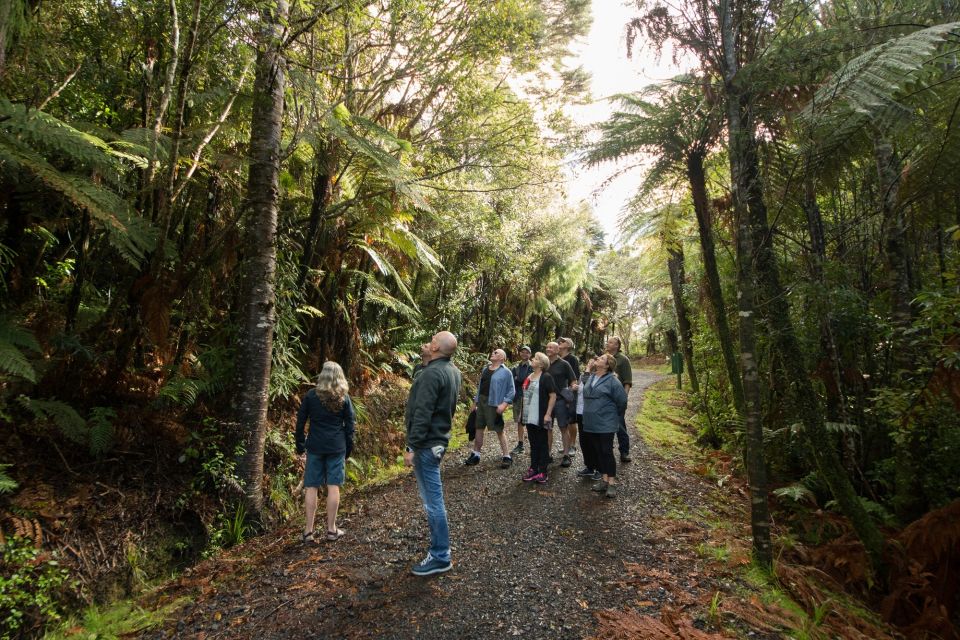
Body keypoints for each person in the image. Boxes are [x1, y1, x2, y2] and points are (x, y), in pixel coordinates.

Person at [404, 331, 462, 576]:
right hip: (439, 441)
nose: (426, 342)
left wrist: (411, 446)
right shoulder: (451, 371)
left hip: (427, 444)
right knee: (433, 498)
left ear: (437, 346)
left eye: (431, 340)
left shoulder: (432, 374)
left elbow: (423, 413)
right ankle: (440, 551)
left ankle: (440, 555)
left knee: (433, 500)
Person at [295, 361, 355, 543]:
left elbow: (300, 422)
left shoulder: (311, 396)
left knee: (311, 485)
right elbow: (350, 426)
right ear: (339, 377)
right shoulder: (343, 398)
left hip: (315, 446)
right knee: (333, 485)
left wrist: (300, 445)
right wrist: (348, 449)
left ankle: (308, 532)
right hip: (337, 447)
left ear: (322, 375)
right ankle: (331, 530)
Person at [581, 353, 628, 498]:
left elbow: (622, 402)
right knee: (598, 451)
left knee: (606, 451)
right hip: (590, 422)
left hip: (606, 423)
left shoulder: (613, 381)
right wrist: (588, 370)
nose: (598, 359)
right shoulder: (592, 377)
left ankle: (612, 483)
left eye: (601, 359)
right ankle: (604, 480)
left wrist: (612, 416)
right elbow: (586, 392)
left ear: (607, 365)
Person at [465, 348, 516, 468]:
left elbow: (512, 390)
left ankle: (506, 456)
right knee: (479, 427)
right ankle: (476, 454)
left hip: (494, 404)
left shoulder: (506, 372)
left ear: (502, 358)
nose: (493, 353)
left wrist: (504, 404)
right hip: (481, 402)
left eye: (496, 352)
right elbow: (480, 387)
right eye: (493, 352)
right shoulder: (485, 369)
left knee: (499, 429)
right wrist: (475, 402)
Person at [520, 352, 557, 484]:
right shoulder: (529, 376)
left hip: (540, 416)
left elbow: (553, 395)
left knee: (542, 443)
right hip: (529, 416)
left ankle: (543, 471)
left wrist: (548, 414)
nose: (532, 360)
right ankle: (533, 468)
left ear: (541, 364)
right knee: (533, 443)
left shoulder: (546, 377)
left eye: (535, 359)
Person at [545, 341, 577, 467]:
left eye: (551, 347)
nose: (548, 349)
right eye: (547, 347)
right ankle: (547, 454)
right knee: (547, 428)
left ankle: (566, 455)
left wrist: (570, 391)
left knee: (563, 427)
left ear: (558, 350)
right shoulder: (544, 364)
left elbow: (573, 381)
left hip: (560, 401)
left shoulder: (565, 364)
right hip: (546, 401)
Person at [606, 336, 633, 462]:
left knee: (619, 424)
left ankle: (624, 451)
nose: (608, 343)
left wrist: (624, 398)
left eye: (611, 342)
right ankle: (606, 451)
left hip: (618, 398)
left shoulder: (623, 360)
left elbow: (627, 381)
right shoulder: (604, 358)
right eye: (608, 342)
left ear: (617, 346)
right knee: (605, 425)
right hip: (604, 398)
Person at [575, 357, 601, 481]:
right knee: (584, 441)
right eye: (589, 361)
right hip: (581, 412)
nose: (589, 363)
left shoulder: (597, 378)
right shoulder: (584, 376)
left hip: (591, 414)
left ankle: (599, 469)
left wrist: (587, 370)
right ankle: (589, 466)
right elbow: (581, 390)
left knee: (594, 441)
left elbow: (586, 387)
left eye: (593, 362)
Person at [558, 337, 581, 458]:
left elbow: (575, 378)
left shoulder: (572, 359)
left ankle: (572, 445)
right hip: (559, 394)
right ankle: (566, 445)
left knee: (572, 421)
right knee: (564, 421)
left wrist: (570, 393)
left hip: (569, 393)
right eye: (559, 341)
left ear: (568, 345)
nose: (560, 343)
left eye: (563, 341)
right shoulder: (557, 358)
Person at [510, 346, 533, 455]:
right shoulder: (516, 367)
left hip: (530, 397)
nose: (524, 354)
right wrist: (519, 379)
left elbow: (526, 380)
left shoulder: (533, 367)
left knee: (530, 420)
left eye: (527, 352)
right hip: (518, 396)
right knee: (519, 421)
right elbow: (513, 381)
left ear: (530, 355)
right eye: (522, 352)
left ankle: (534, 444)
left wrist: (519, 379)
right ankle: (520, 444)